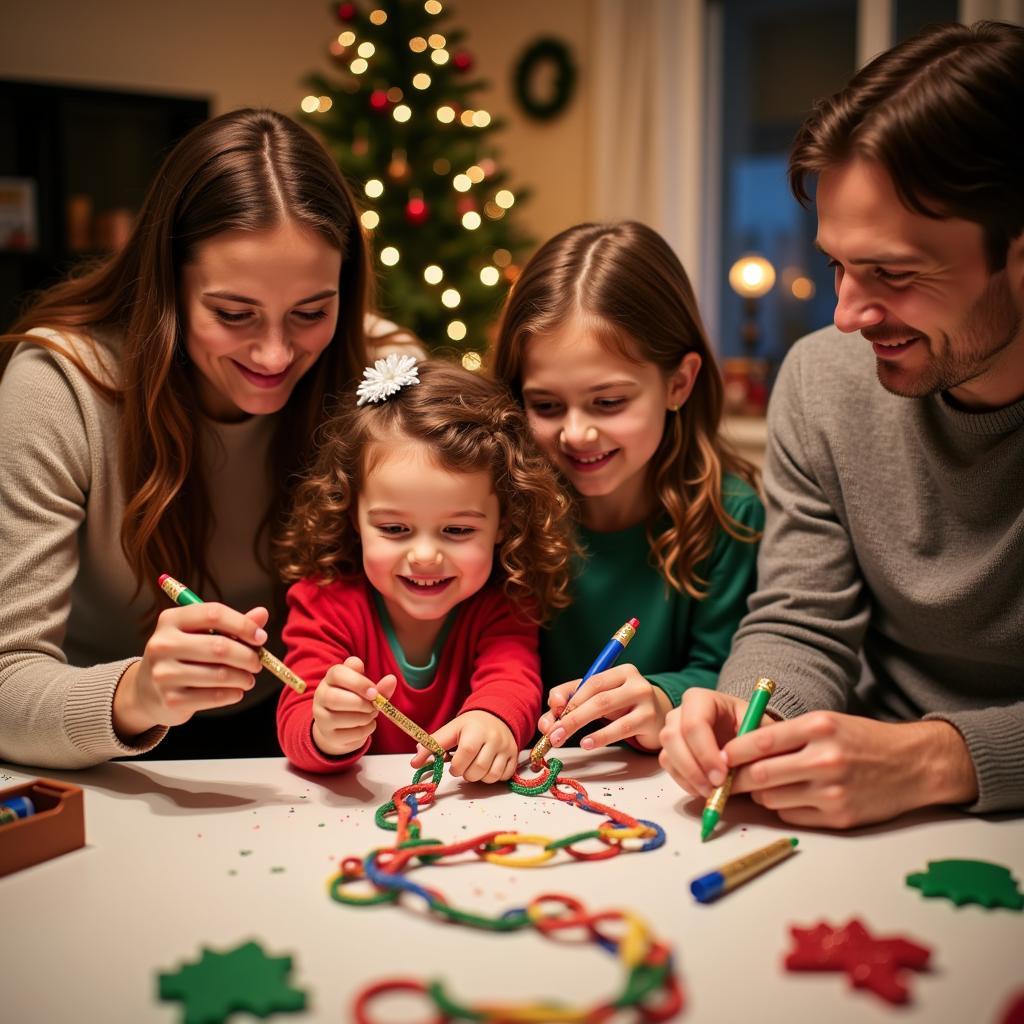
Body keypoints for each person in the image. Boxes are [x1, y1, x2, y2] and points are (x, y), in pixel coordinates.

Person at [659, 20, 1024, 826]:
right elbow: (801, 617)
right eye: (837, 265)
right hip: (872, 815)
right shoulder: (822, 377)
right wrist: (760, 715)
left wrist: (942, 757)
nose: (847, 315)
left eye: (892, 273)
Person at [0, 108, 420, 768]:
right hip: (99, 750)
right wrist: (136, 693)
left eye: (311, 312)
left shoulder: (382, 374)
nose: (277, 354)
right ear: (167, 283)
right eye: (233, 314)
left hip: (313, 740)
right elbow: (7, 685)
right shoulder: (60, 386)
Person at [491, 221, 763, 755]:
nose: (576, 433)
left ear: (678, 383)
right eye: (546, 406)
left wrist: (664, 699)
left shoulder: (728, 515)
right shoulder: (499, 508)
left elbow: (731, 673)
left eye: (609, 402)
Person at [275, 358, 576, 782]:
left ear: (502, 523)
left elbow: (512, 681)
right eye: (395, 528)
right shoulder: (323, 600)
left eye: (456, 529)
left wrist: (494, 721)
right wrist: (324, 730)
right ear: (351, 517)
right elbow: (297, 717)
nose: (425, 556)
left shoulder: (502, 601)